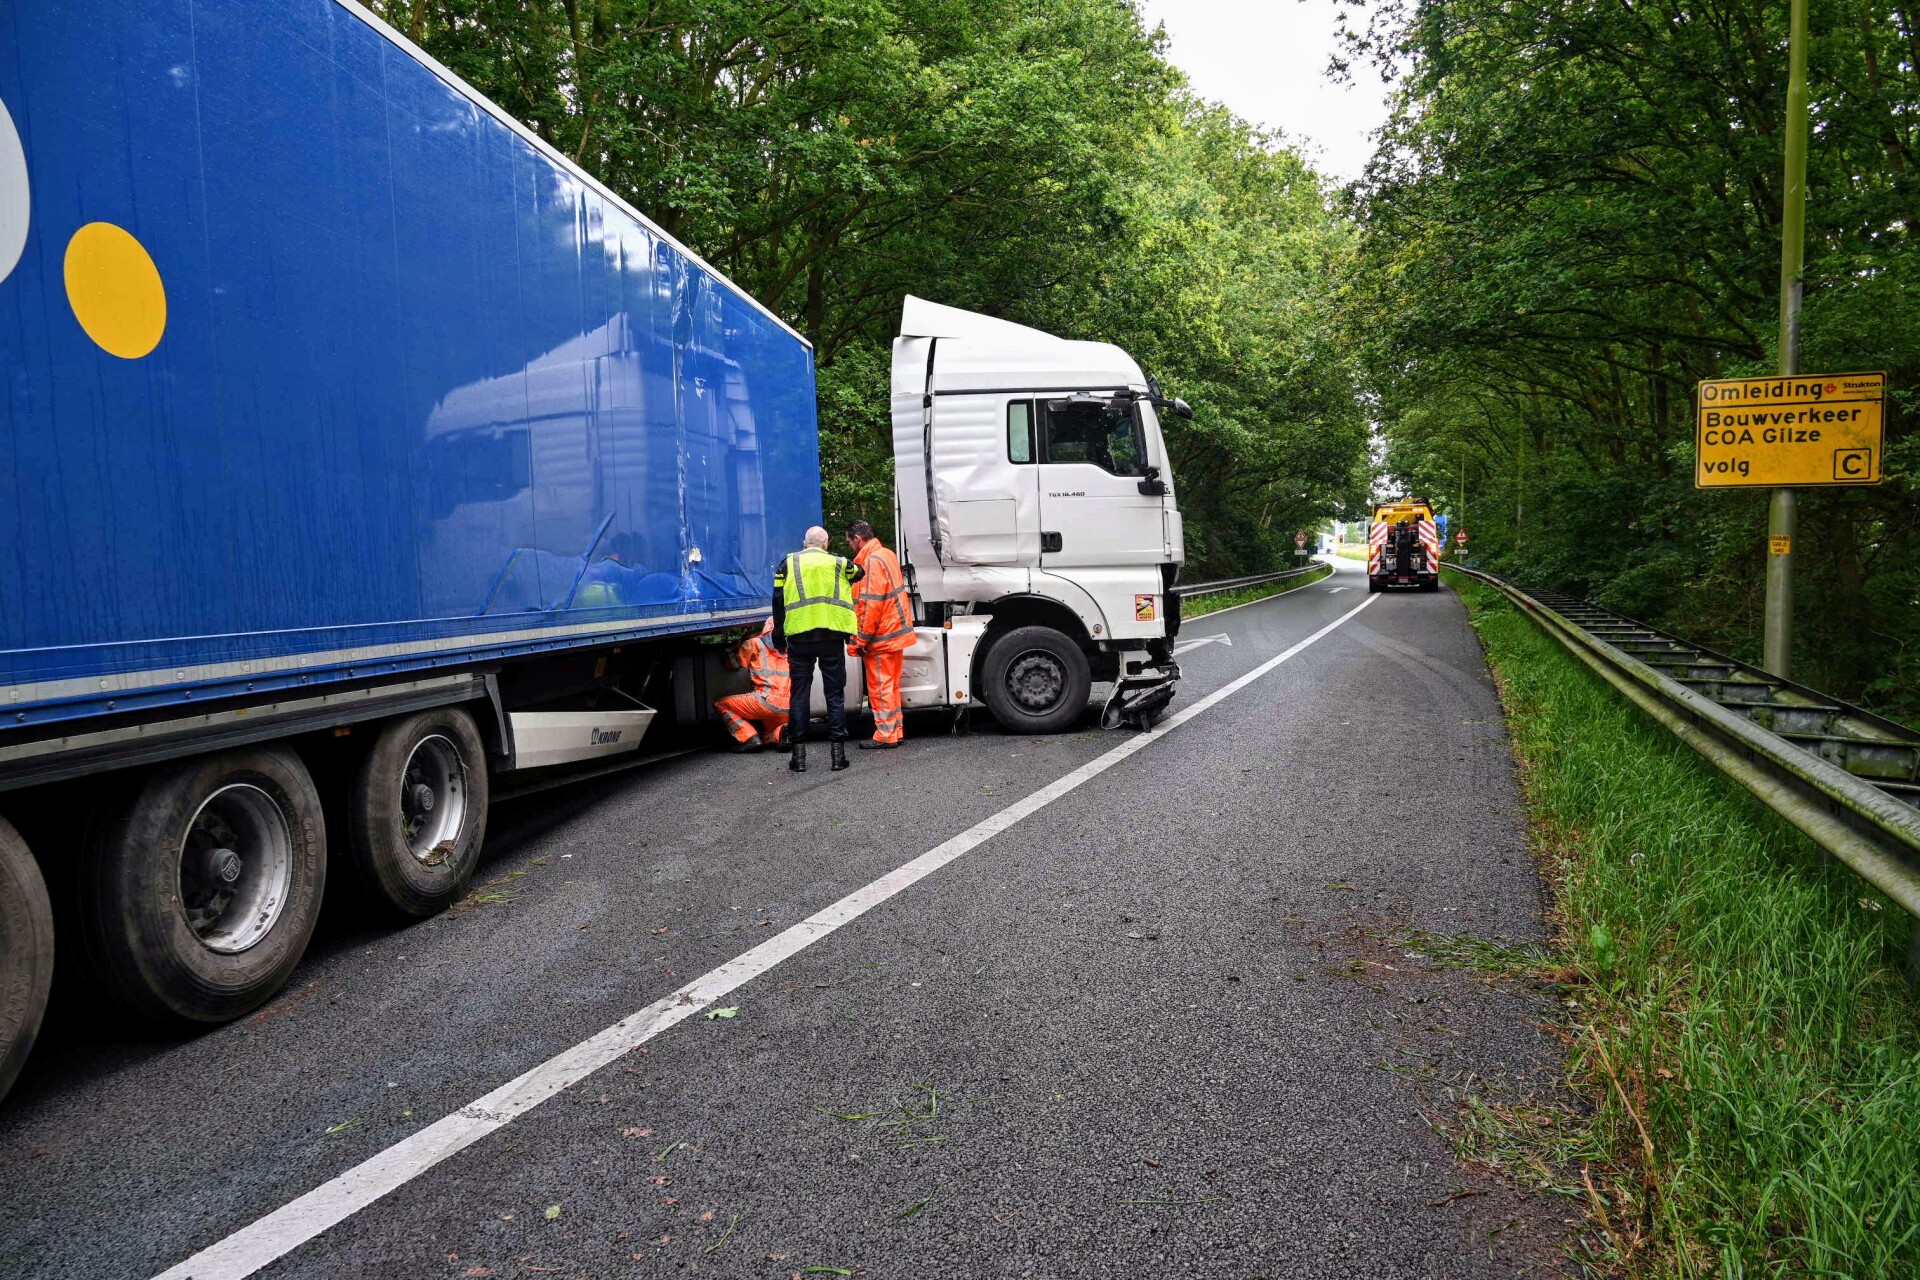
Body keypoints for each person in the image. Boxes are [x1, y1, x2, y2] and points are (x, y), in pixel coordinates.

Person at [770, 526, 862, 773]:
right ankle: (837, 756)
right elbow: (860, 572)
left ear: (804, 543)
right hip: (831, 636)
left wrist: (778, 637)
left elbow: (778, 601)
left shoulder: (787, 564)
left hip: (799, 637)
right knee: (835, 694)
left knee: (799, 694)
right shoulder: (839, 563)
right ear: (826, 543)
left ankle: (798, 758)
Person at [845, 520, 913, 749]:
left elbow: (870, 605)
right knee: (891, 686)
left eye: (849, 541)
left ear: (857, 538)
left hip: (881, 637)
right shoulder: (886, 554)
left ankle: (885, 735)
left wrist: (860, 640)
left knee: (881, 687)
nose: (849, 546)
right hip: (894, 633)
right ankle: (895, 730)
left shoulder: (871, 561)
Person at [712, 618, 789, 753]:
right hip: (792, 706)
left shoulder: (754, 643)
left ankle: (748, 738)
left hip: (766, 701)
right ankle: (781, 733)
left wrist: (732, 647)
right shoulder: (792, 646)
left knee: (720, 704)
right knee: (768, 733)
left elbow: (732, 664)